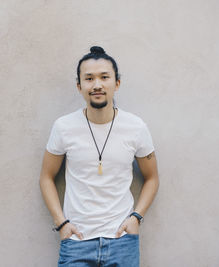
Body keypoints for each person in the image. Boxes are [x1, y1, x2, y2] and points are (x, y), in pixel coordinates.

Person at [39, 46, 159, 267]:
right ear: (79, 85)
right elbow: (46, 177)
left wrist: (136, 218)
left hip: (122, 240)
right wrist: (61, 223)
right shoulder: (64, 127)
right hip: (76, 240)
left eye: (104, 77)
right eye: (89, 78)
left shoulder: (135, 127)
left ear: (117, 83)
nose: (97, 85)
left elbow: (152, 178)